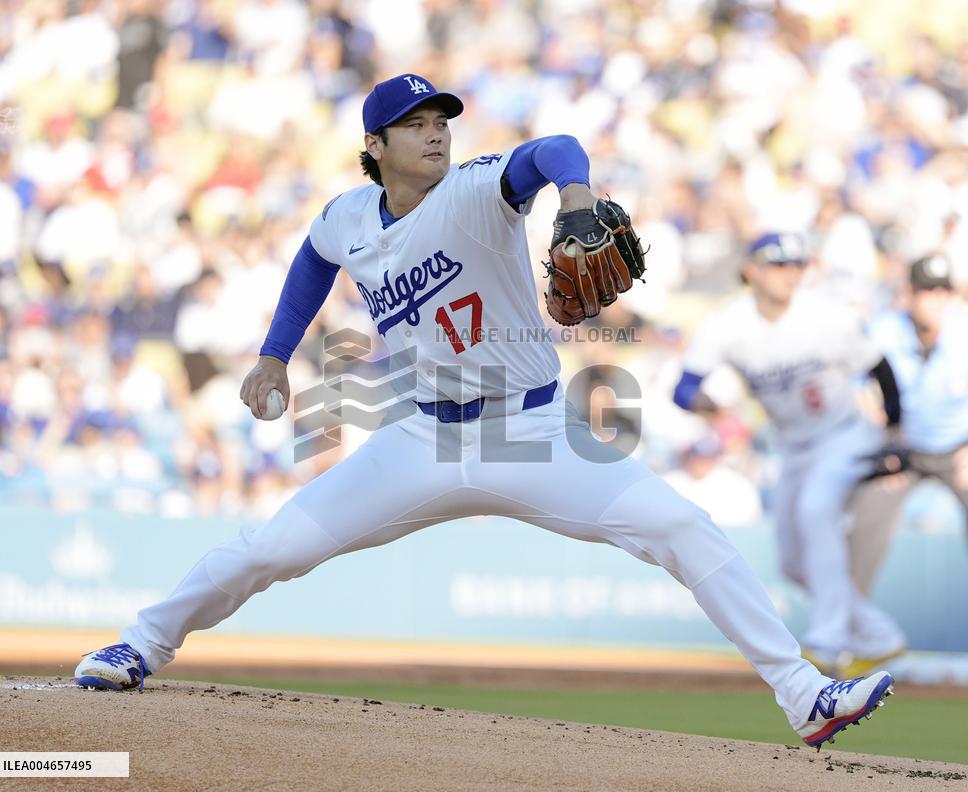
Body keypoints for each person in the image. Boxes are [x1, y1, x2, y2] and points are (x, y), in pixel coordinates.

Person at [75, 75, 894, 748]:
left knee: (684, 527)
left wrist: (575, 197)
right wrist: (273, 354)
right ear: (375, 147)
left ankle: (804, 694)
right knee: (272, 545)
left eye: (441, 120)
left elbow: (548, 152)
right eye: (414, 124)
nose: (435, 134)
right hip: (422, 439)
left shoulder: (474, 192)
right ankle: (140, 644)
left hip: (533, 433)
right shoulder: (348, 216)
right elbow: (313, 259)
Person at [673, 232, 908, 679]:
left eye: (797, 264)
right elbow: (684, 389)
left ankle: (829, 641)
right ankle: (880, 638)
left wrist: (895, 433)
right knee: (794, 564)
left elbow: (880, 367)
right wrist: (718, 409)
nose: (790, 273)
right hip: (794, 444)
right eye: (779, 264)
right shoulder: (728, 324)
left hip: (845, 434)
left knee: (816, 508)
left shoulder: (824, 315)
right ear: (751, 271)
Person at [848, 254, 968, 598]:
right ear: (910, 294)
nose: (935, 300)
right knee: (866, 520)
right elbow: (855, 387)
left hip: (957, 447)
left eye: (943, 291)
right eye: (927, 291)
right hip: (903, 448)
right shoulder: (884, 330)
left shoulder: (963, 334)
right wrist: (882, 443)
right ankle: (847, 629)